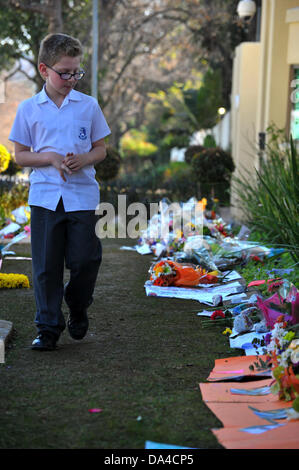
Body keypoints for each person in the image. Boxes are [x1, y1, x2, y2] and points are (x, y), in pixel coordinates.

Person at [9, 33, 111, 351]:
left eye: (75, 72)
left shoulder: (88, 106)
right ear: (44, 69)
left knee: (86, 260)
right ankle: (48, 328)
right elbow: (20, 155)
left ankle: (77, 305)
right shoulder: (29, 109)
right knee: (45, 266)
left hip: (82, 196)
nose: (71, 79)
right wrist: (51, 158)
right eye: (64, 72)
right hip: (44, 196)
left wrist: (84, 159)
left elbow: (101, 149)